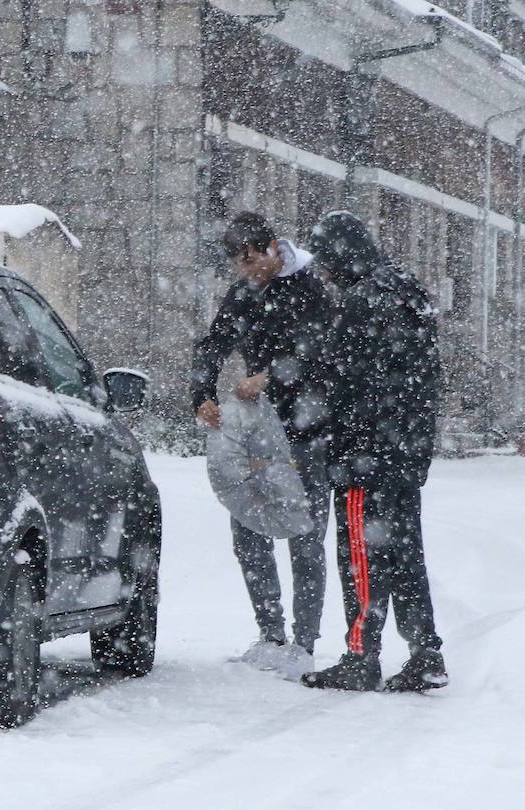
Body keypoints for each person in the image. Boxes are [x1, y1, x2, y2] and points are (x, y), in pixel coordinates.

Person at [301, 210, 448, 692]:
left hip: (364, 452)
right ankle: (425, 652)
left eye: (324, 261)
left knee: (361, 554)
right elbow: (425, 378)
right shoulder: (408, 292)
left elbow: (343, 381)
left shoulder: (361, 302)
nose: (322, 272)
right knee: (406, 553)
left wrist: (327, 431)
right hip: (405, 450)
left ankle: (361, 656)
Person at [191, 211, 332, 678]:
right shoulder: (246, 292)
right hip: (260, 430)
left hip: (307, 428)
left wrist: (272, 375)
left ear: (274, 247)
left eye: (253, 259)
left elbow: (328, 353)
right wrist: (204, 393)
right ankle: (270, 634)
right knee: (249, 530)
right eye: (239, 264)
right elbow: (213, 343)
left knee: (304, 534)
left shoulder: (312, 286)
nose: (248, 270)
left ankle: (304, 642)